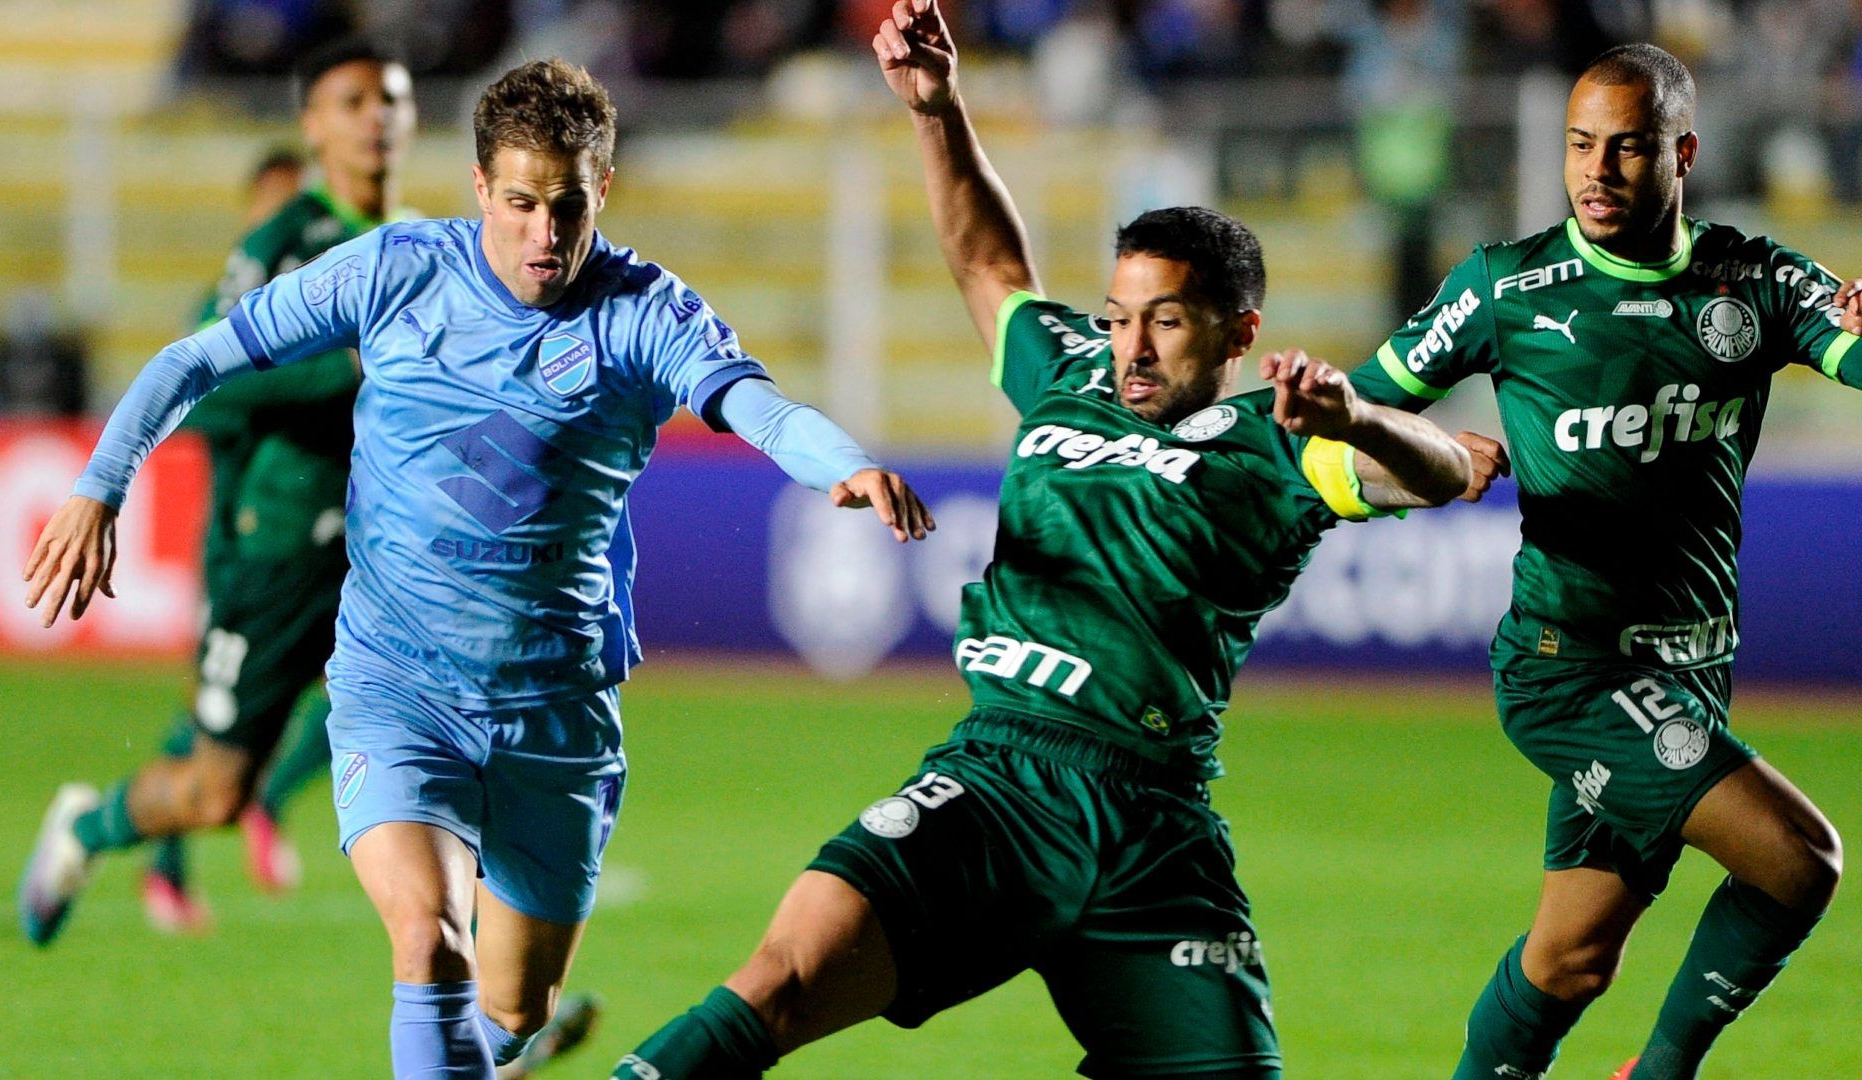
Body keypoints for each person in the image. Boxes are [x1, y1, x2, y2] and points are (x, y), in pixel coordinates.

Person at [611, 3, 1488, 1077]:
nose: (1130, 344)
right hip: (998, 785)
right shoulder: (1069, 373)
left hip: (1154, 825)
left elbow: (1441, 474)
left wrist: (1355, 415)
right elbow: (988, 262)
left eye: (1164, 320)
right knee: (780, 980)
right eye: (1119, 314)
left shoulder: (1283, 441)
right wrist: (938, 114)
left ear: (1238, 332)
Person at [19, 56, 933, 1079]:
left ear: (605, 191)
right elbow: (198, 357)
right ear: (479, 189)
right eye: (522, 203)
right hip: (400, 687)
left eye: (569, 206)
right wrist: (102, 483)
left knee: (511, 1013)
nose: (546, 234)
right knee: (428, 942)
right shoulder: (396, 269)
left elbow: (753, 404)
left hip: (557, 713)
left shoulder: (642, 311)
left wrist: (839, 463)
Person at [1345, 43, 1849, 1080]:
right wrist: (1424, 455)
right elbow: (1348, 410)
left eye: (1629, 148)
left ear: (1683, 154)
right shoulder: (1508, 288)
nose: (1598, 171)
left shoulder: (1750, 282)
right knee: (1800, 862)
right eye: (1582, 145)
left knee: (1571, 961)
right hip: (1570, 669)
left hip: (1691, 671)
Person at [17, 37, 417, 940]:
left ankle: (490, 1003)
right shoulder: (285, 242)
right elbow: (211, 378)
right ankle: (89, 827)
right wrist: (349, 366)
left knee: (464, 731)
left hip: (386, 550)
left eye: (390, 100)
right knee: (213, 790)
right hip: (277, 550)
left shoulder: (419, 246)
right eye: (351, 101)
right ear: (313, 126)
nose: (375, 118)